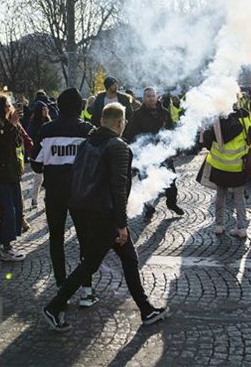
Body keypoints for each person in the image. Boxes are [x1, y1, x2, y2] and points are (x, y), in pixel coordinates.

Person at [43, 103, 170, 331]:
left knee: (128, 259)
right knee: (90, 264)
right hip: (105, 215)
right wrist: (121, 224)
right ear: (120, 123)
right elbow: (118, 187)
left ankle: (146, 309)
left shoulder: (87, 143)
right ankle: (54, 307)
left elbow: (77, 175)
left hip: (84, 210)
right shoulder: (118, 146)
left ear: (101, 120)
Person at [31, 88, 99, 308]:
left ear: (58, 107)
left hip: (55, 192)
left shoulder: (46, 130)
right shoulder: (87, 130)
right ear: (80, 107)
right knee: (85, 240)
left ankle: (61, 285)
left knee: (56, 238)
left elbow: (35, 164)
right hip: (81, 193)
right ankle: (87, 289)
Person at [123, 86, 184, 220]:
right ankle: (149, 209)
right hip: (146, 155)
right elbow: (132, 134)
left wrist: (174, 148)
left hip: (163, 153)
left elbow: (171, 131)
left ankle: (172, 203)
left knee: (171, 181)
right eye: (148, 96)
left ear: (157, 97)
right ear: (144, 99)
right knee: (146, 183)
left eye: (152, 96)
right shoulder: (137, 114)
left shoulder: (165, 112)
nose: (151, 98)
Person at [197, 104, 251, 238]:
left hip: (219, 165)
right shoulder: (244, 119)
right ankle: (242, 227)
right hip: (238, 165)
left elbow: (206, 141)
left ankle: (219, 226)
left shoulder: (216, 122)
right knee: (239, 197)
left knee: (220, 195)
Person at [0, 94, 27, 261]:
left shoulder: (6, 123)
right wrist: (12, 125)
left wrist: (14, 125)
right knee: (7, 210)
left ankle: (9, 241)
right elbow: (1, 144)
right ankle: (5, 245)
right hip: (1, 174)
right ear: (1, 107)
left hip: (12, 172)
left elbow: (16, 143)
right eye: (8, 106)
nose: (10, 109)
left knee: (17, 208)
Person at [26, 101, 51, 209]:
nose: (46, 111)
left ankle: (47, 199)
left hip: (48, 153)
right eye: (43, 109)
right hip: (38, 155)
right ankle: (34, 199)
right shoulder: (33, 124)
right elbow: (30, 139)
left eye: (46, 109)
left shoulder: (49, 122)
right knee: (38, 178)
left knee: (48, 178)